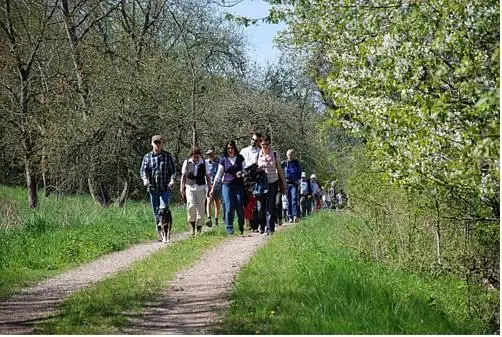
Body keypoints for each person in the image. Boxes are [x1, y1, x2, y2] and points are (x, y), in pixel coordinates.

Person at [139, 135, 177, 241]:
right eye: (155, 142)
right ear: (152, 143)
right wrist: (145, 180)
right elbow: (143, 171)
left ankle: (166, 232)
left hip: (165, 188)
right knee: (156, 211)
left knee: (164, 209)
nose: (157, 145)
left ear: (162, 143)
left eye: (159, 142)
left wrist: (172, 180)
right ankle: (159, 232)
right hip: (153, 189)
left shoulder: (167, 156)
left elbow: (173, 170)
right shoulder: (147, 157)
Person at [209, 140, 246, 235]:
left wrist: (242, 173)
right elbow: (218, 175)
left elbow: (246, 170)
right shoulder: (223, 160)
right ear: (226, 149)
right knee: (229, 208)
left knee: (239, 207)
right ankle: (229, 230)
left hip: (239, 186)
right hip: (227, 186)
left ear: (235, 148)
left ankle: (241, 226)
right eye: (228, 148)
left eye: (232, 148)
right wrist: (213, 188)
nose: (230, 150)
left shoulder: (240, 158)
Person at [254, 135, 286, 235]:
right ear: (260, 144)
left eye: (267, 144)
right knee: (260, 208)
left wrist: (283, 182)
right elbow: (253, 170)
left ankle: (270, 228)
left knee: (271, 206)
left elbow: (279, 169)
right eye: (263, 144)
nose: (265, 147)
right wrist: (258, 169)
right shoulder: (257, 155)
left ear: (270, 144)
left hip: (273, 182)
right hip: (261, 184)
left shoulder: (275, 154)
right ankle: (262, 225)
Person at [180, 147, 212, 235]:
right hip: (190, 187)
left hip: (201, 188)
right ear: (191, 156)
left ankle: (199, 228)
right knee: (191, 206)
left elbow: (208, 176)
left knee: (201, 209)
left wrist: (209, 188)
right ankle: (192, 226)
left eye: (197, 157)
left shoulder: (204, 163)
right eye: (194, 157)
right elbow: (183, 177)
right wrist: (181, 188)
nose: (196, 158)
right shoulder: (186, 162)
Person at [282, 149, 302, 223]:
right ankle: (289, 216)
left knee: (294, 198)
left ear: (293, 155)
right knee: (288, 200)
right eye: (289, 154)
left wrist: (298, 180)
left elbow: (300, 172)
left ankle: (295, 215)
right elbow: (279, 171)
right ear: (286, 155)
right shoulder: (284, 163)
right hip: (286, 183)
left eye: (291, 154)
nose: (290, 156)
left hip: (294, 184)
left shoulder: (296, 163)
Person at [205, 147, 222, 227]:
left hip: (218, 185)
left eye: (212, 153)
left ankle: (216, 219)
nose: (210, 155)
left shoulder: (219, 161)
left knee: (217, 203)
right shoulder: (206, 163)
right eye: (209, 154)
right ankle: (209, 219)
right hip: (209, 184)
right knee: (208, 201)